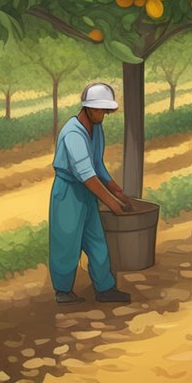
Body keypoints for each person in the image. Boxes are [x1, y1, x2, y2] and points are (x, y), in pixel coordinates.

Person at [50, 82, 133, 305]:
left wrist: (117, 190)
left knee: (97, 240)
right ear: (86, 108)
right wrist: (113, 204)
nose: (102, 115)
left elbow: (97, 165)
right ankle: (63, 291)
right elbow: (85, 174)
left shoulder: (96, 129)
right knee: (66, 242)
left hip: (88, 191)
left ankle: (105, 288)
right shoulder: (72, 133)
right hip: (69, 192)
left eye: (104, 110)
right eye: (98, 110)